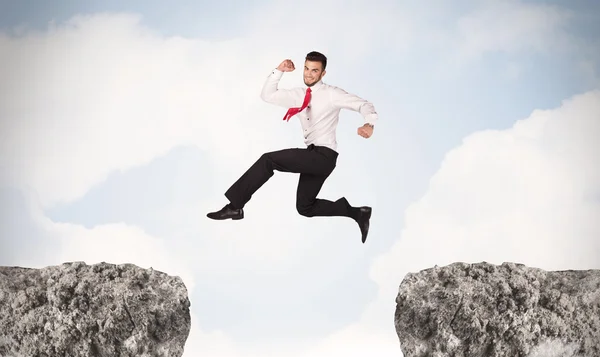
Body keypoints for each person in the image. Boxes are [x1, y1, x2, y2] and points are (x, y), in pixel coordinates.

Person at [207, 51, 378, 243]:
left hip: (324, 156)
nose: (308, 74)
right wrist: (278, 71)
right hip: (313, 156)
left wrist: (369, 124)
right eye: (306, 69)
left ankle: (235, 206)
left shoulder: (331, 94)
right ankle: (358, 213)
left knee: (268, 160)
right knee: (305, 208)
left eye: (314, 71)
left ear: (323, 73)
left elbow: (364, 104)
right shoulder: (299, 95)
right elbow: (268, 95)